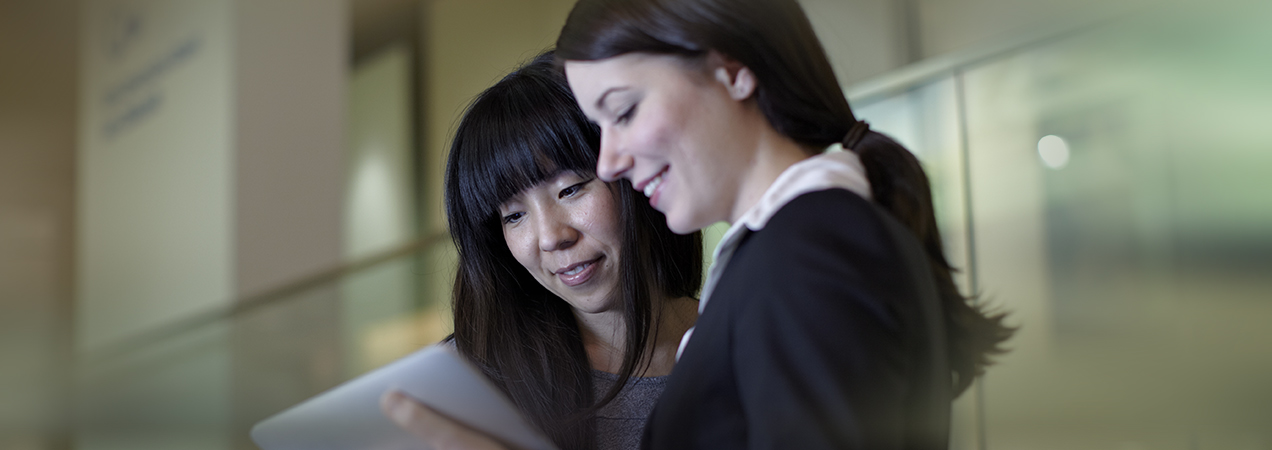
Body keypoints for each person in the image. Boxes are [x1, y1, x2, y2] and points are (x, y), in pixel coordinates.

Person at [552, 0, 1016, 449]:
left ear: (732, 71)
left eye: (625, 112)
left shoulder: (810, 247)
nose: (609, 162)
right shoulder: (798, 242)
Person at [379, 53, 704, 450]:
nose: (550, 237)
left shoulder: (747, 331)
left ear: (636, 172)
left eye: (570, 189)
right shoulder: (466, 385)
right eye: (513, 216)